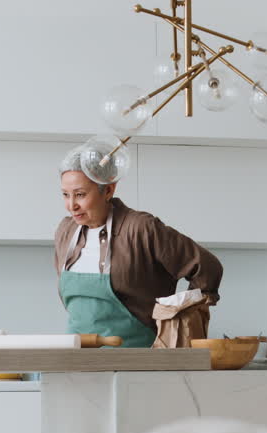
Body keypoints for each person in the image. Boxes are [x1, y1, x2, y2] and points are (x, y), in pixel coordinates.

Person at [54, 146, 223, 348]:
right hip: (75, 356)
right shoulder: (66, 231)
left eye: (80, 194)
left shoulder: (141, 228)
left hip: (137, 358)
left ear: (108, 190)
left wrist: (178, 315)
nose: (71, 205)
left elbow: (207, 268)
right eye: (65, 194)